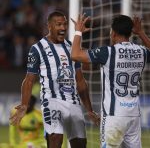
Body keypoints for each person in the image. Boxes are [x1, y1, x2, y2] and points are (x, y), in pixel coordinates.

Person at [9, 11, 99, 148]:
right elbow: (28, 80)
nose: (63, 28)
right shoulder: (37, 49)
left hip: (73, 102)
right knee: (55, 139)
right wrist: (24, 104)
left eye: (65, 24)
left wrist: (90, 110)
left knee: (80, 144)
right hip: (51, 101)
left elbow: (80, 81)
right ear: (49, 26)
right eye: (58, 24)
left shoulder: (72, 48)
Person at [71, 14, 150, 148]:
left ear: (113, 33)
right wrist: (141, 33)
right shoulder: (142, 52)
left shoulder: (107, 52)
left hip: (114, 116)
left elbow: (75, 55)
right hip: (134, 116)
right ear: (130, 33)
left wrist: (78, 31)